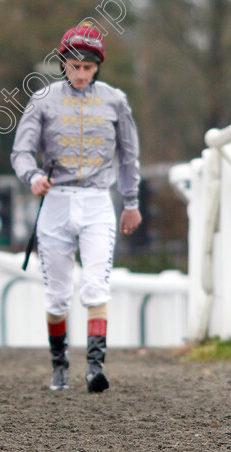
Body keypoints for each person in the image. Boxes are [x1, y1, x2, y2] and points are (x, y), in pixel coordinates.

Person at [11, 22, 143, 393]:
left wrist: (130, 202)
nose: (81, 74)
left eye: (88, 68)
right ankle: (59, 364)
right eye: (74, 66)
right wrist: (32, 176)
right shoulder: (43, 99)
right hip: (56, 201)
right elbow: (21, 150)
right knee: (56, 294)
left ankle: (95, 367)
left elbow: (130, 156)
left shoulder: (116, 100)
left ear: (98, 66)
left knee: (96, 285)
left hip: (98, 200)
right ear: (63, 63)